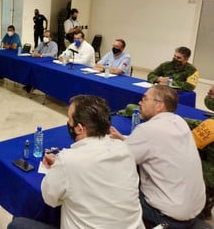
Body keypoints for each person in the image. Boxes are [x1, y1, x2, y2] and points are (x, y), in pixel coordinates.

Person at [8, 95, 144, 229]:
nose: (68, 123)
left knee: (17, 223)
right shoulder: (124, 148)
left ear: (79, 128)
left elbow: (50, 199)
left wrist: (59, 167)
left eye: (69, 119)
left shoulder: (68, 160)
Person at [110, 85, 210, 229]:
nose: (140, 102)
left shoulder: (148, 130)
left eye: (145, 99)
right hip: (193, 208)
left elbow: (119, 158)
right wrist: (125, 139)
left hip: (167, 216)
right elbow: (158, 146)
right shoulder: (179, 122)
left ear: (159, 106)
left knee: (115, 185)